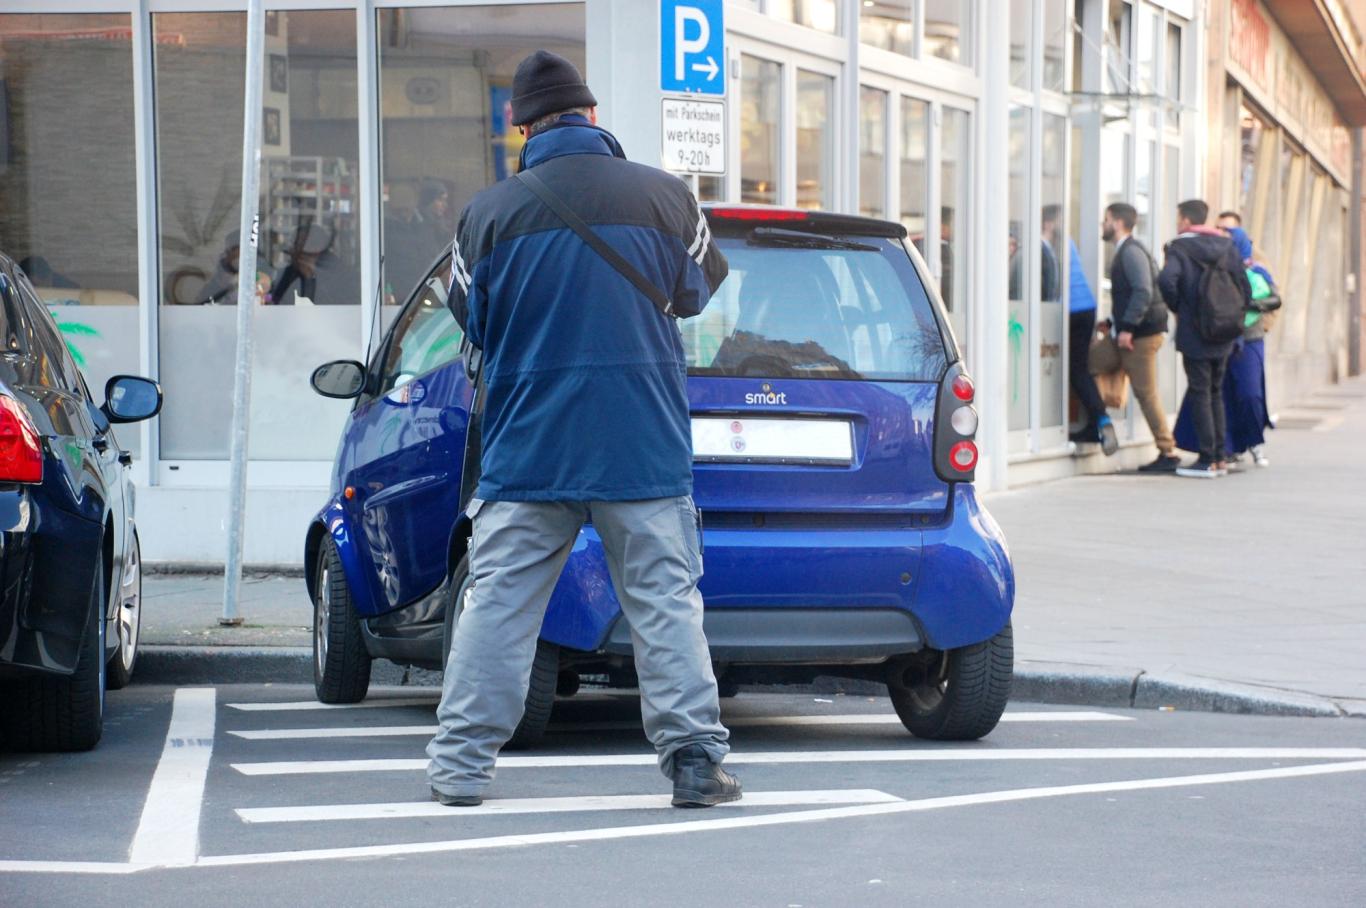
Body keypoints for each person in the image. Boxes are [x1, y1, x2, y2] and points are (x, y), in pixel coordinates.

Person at [426, 51, 739, 809]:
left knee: (498, 604)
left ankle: (459, 767)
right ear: (593, 117)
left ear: (519, 127)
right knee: (664, 601)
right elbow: (698, 293)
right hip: (641, 444)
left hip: (529, 446)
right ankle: (695, 762)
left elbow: (472, 316)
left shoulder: (488, 215)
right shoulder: (668, 200)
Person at [1157, 199, 1251, 478]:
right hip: (1224, 330)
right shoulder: (1227, 245)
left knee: (1200, 390)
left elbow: (1166, 281)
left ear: (1186, 220)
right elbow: (1243, 286)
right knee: (1215, 391)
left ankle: (1206, 458)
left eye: (1178, 218)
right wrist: (1233, 314)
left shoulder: (1179, 247)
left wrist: (1180, 309)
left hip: (1195, 330)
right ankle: (1220, 457)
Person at [1174, 221, 1274, 467]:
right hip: (1220, 338)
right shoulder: (1214, 265)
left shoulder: (1256, 271)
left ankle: (1244, 444)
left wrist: (1243, 311)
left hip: (1247, 338)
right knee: (1218, 394)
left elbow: (1271, 299)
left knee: (1245, 394)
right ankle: (1222, 451)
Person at [1103, 202, 1177, 471]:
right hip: (1133, 332)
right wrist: (1114, 323)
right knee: (1093, 363)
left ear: (1118, 222)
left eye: (1106, 219)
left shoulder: (1131, 252)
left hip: (1139, 336)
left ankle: (1167, 452)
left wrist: (1127, 328)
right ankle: (1100, 420)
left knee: (1146, 393)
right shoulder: (1129, 250)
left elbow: (1143, 291)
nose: (1103, 224)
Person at [1064, 234, 1116, 454]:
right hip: (1087, 307)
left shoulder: (1049, 244)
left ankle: (1100, 419)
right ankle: (1096, 423)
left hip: (1070, 309)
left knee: (1075, 370)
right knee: (1080, 369)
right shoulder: (1069, 240)